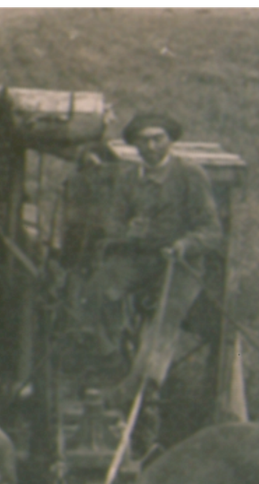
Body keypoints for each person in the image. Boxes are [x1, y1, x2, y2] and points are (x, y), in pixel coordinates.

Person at [81, 112, 223, 395]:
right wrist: (125, 233)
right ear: (134, 145)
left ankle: (144, 386)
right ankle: (112, 361)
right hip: (139, 258)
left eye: (158, 138)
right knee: (99, 290)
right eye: (143, 141)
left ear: (170, 140)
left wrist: (185, 244)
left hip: (180, 262)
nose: (152, 146)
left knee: (165, 317)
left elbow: (211, 230)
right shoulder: (128, 177)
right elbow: (113, 223)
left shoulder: (189, 174)